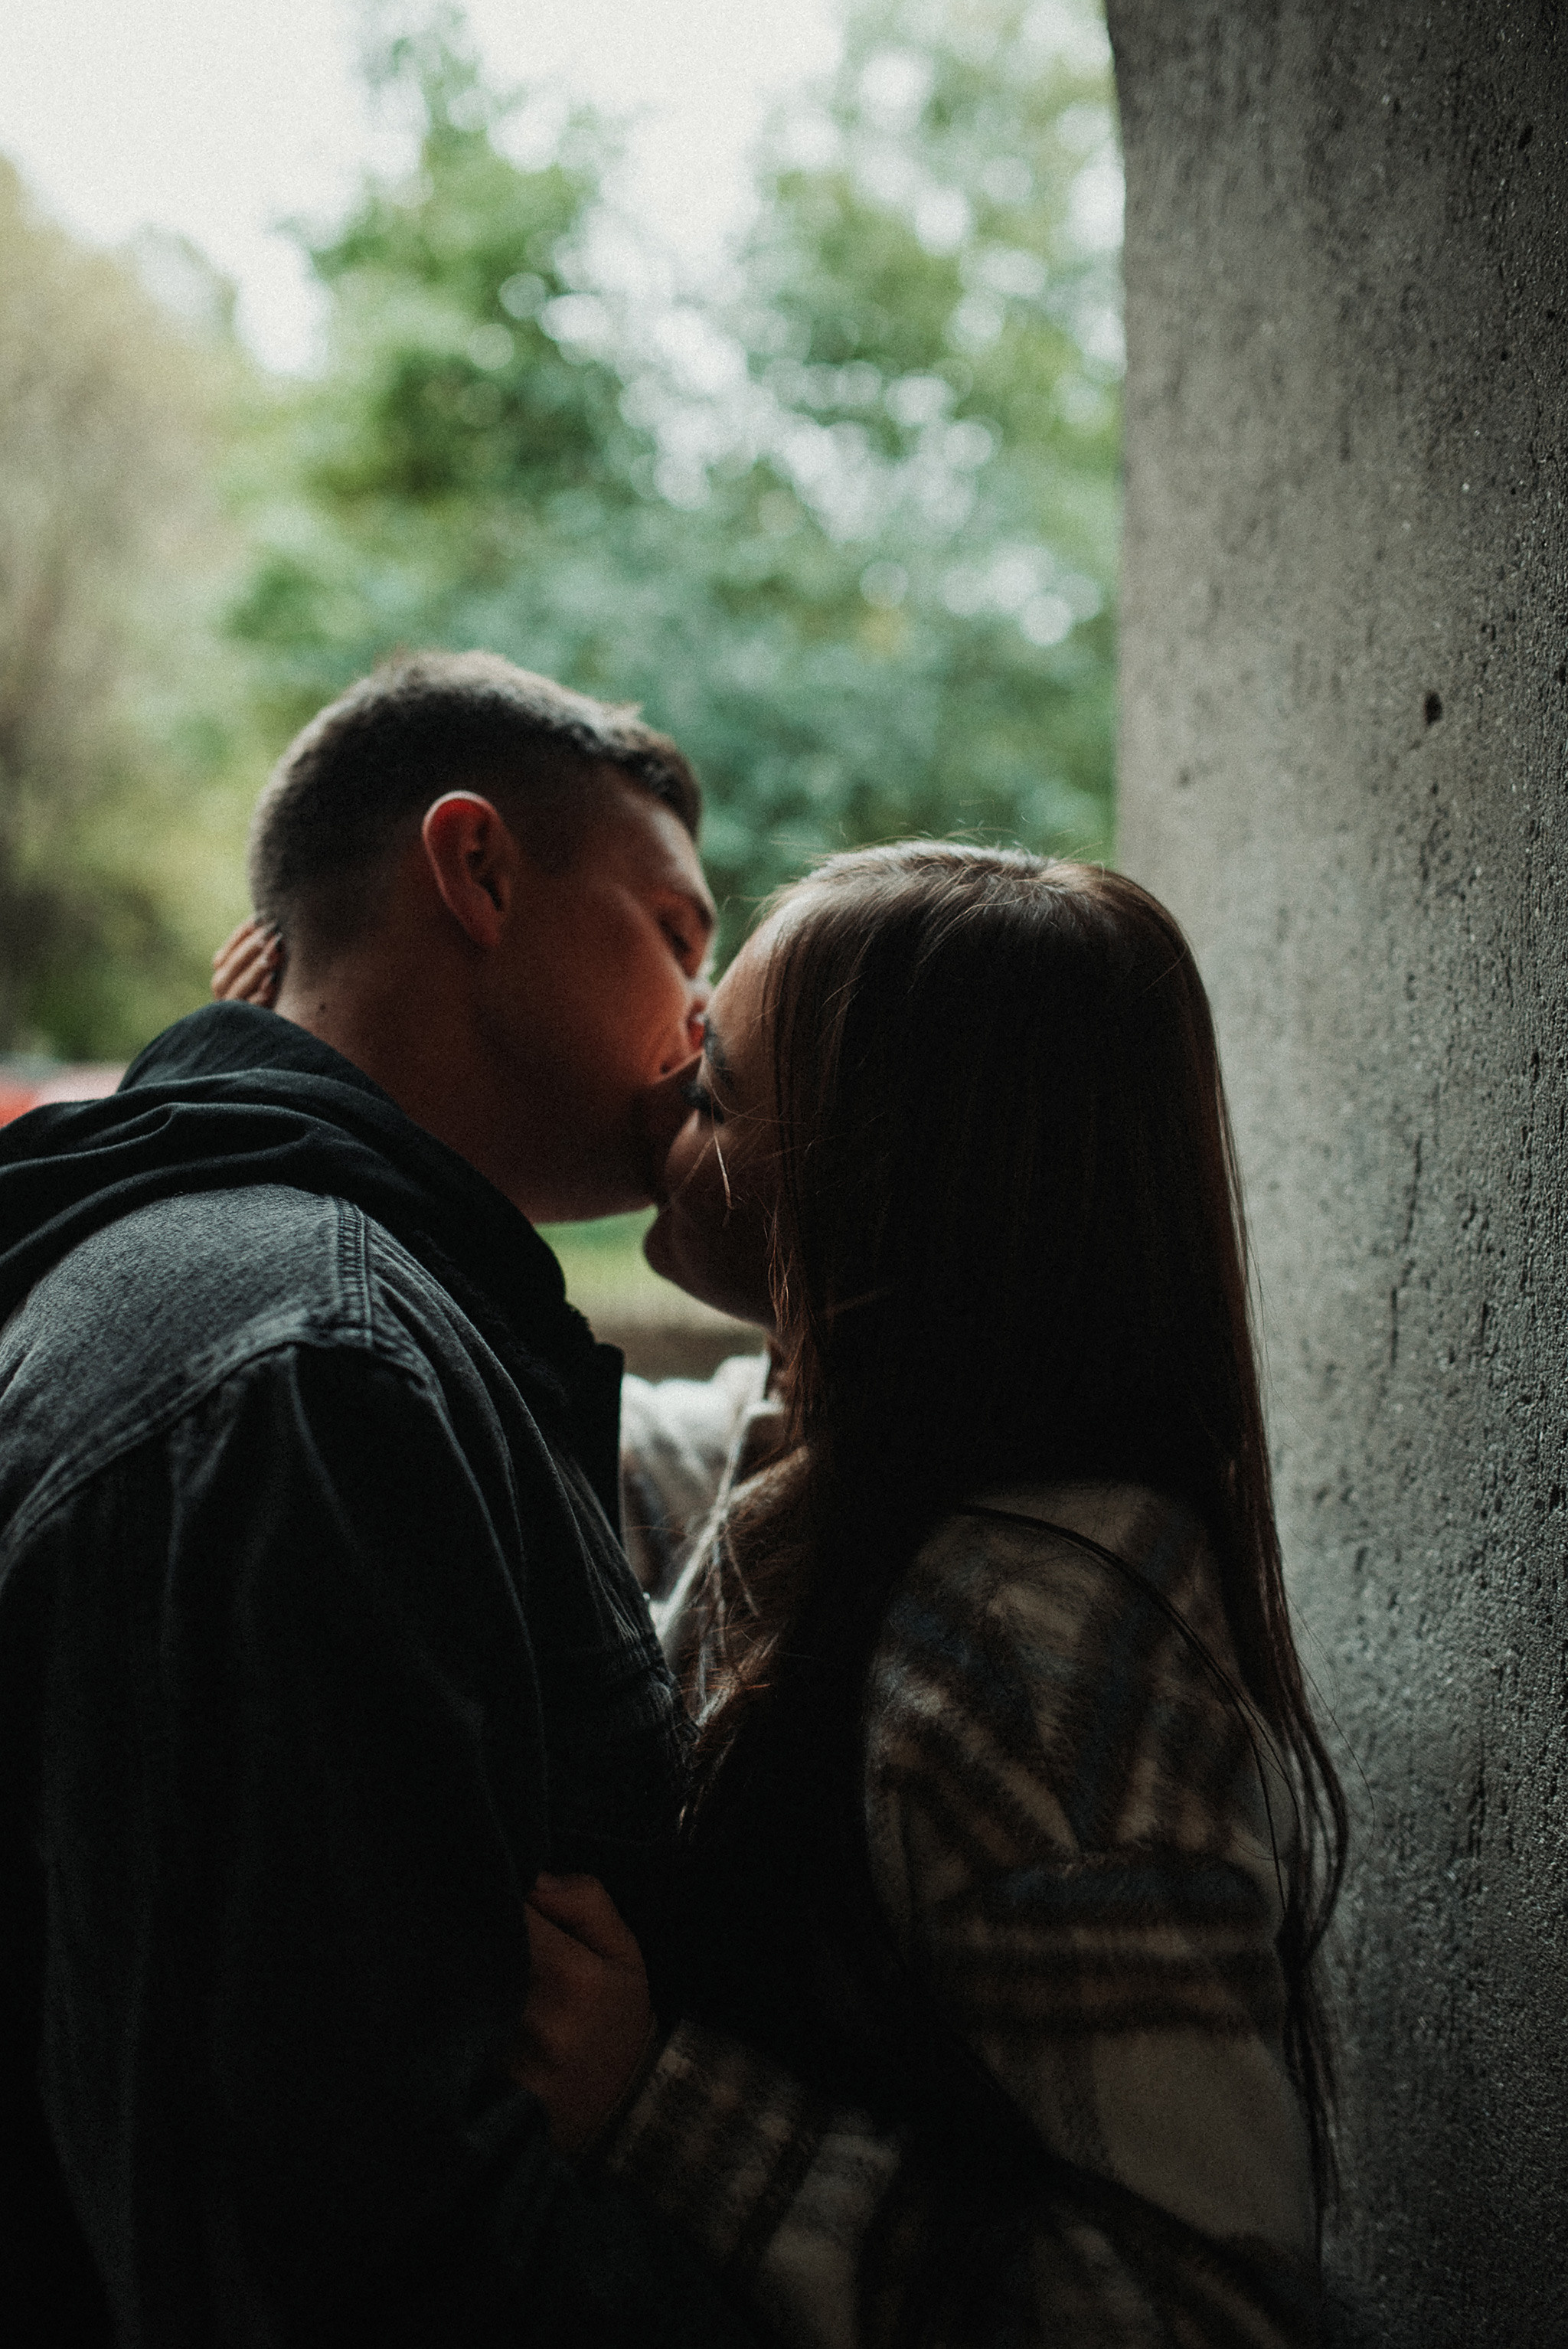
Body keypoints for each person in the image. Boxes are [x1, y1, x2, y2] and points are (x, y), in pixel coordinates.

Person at [0, 651, 766, 2347]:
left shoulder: (262, 1290)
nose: (705, 1014)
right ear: (477, 870)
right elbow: (377, 2256)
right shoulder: (319, 1373)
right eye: (677, 932)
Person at [511, 844, 1350, 2349]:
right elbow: (572, 1465)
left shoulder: (1033, 1648)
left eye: (710, 1092)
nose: (656, 1104)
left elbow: (1210, 2317)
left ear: (874, 1187)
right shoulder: (823, 1456)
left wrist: (664, 2103)